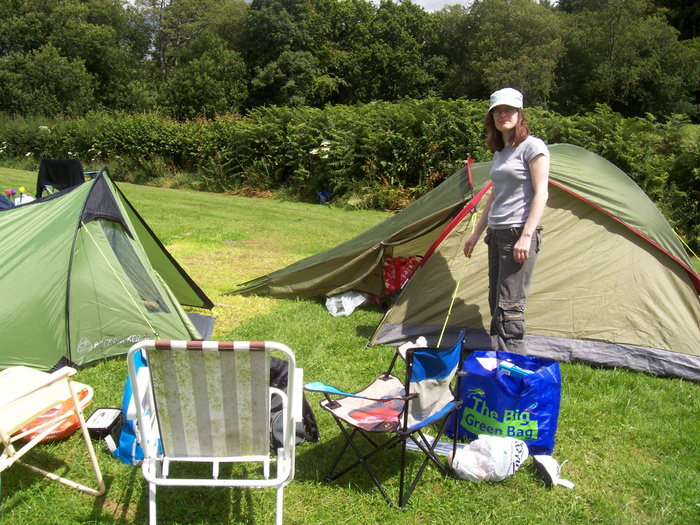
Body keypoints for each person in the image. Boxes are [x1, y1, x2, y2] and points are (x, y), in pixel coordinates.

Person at [463, 87, 550, 355]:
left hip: (517, 235)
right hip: (496, 234)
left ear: (519, 113)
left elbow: (542, 193)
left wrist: (526, 235)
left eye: (509, 110)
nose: (503, 115)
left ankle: (515, 371)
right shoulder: (500, 152)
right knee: (495, 303)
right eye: (498, 111)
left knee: (510, 308)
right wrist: (477, 233)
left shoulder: (533, 147)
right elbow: (494, 196)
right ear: (492, 117)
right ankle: (499, 362)